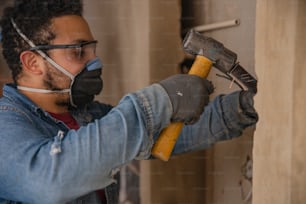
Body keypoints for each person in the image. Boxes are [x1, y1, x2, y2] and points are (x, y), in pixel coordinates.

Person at [0, 0, 258, 203]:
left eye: (92, 50)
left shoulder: (88, 116)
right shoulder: (6, 126)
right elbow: (49, 180)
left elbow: (169, 134)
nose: (95, 62)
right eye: (78, 51)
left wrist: (241, 108)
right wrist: (157, 101)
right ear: (33, 63)